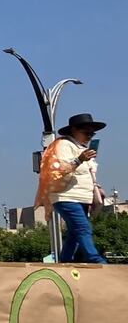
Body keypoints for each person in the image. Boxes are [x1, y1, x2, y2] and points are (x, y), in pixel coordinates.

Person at [37, 113, 108, 264]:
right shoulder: (63, 145)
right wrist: (80, 159)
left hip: (81, 198)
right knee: (83, 228)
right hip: (66, 197)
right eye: (86, 132)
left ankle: (65, 261)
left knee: (75, 233)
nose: (89, 136)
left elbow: (86, 175)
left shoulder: (80, 148)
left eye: (92, 133)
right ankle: (95, 260)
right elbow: (59, 169)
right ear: (74, 130)